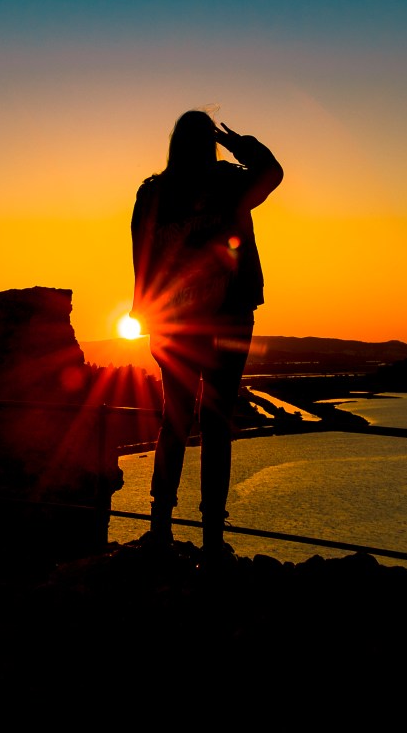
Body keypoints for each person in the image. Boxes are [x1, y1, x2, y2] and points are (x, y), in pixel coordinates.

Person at [130, 109, 283, 558]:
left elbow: (141, 258)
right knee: (216, 424)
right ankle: (212, 537)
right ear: (211, 143)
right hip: (229, 317)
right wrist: (242, 146)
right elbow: (272, 173)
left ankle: (161, 527)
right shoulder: (229, 183)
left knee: (174, 421)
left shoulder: (153, 193)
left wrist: (147, 317)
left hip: (174, 323)